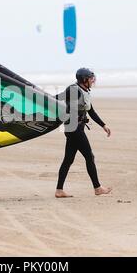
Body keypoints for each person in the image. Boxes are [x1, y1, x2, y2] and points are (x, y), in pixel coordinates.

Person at [55, 68, 112, 198]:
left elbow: (91, 111)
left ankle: (59, 190)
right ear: (84, 80)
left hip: (75, 128)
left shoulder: (84, 91)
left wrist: (103, 125)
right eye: (91, 78)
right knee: (89, 156)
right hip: (74, 128)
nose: (93, 80)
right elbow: (58, 98)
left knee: (68, 159)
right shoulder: (73, 90)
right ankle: (97, 188)